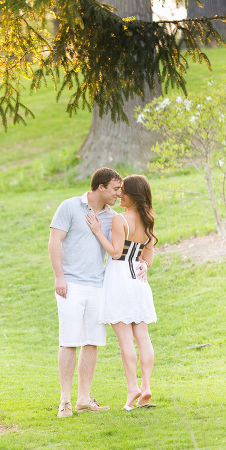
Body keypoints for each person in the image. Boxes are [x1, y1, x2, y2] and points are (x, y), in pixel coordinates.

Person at [48, 167, 148, 418]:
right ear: (100, 187)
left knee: (91, 341)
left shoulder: (113, 217)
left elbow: (127, 248)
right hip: (70, 284)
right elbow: (54, 241)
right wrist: (59, 276)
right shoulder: (70, 207)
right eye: (115, 189)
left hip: (98, 286)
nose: (119, 193)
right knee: (69, 341)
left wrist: (144, 263)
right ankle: (65, 401)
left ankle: (83, 399)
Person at [85, 174, 157, 411]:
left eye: (123, 191)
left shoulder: (120, 220)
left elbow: (115, 253)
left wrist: (97, 231)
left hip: (119, 279)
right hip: (138, 280)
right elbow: (148, 258)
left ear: (133, 195)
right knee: (143, 337)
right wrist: (144, 265)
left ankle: (133, 388)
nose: (119, 194)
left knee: (125, 339)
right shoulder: (148, 221)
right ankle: (146, 387)